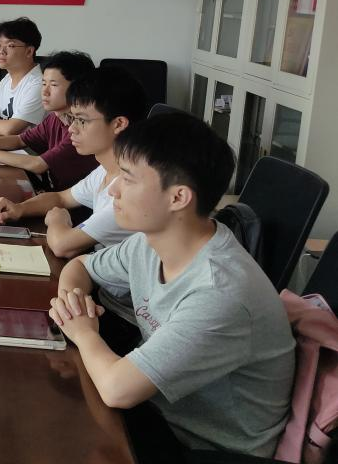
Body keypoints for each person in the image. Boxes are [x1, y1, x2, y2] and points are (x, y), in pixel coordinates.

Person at [48, 113, 294, 458]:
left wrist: (83, 330)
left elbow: (117, 390)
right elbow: (80, 266)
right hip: (156, 410)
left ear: (178, 198)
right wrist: (73, 302)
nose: (113, 189)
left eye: (127, 178)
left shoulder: (220, 293)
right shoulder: (150, 241)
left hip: (205, 447)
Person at [0, 67, 146, 258]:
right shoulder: (105, 170)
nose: (71, 129)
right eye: (73, 119)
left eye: (82, 121)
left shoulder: (129, 189)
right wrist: (19, 208)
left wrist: (57, 220)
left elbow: (63, 245)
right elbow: (61, 198)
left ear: (118, 124)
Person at [0, 50, 97, 190]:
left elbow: (38, 164)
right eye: (43, 84)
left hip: (72, 199)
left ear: (77, 89)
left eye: (53, 85)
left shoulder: (80, 129)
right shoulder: (55, 118)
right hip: (57, 193)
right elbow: (20, 140)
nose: (45, 92)